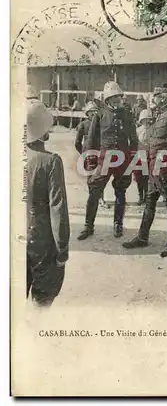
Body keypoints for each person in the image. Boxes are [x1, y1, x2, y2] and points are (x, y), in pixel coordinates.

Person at [122, 82, 167, 258]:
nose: (153, 99)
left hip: (164, 170)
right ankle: (142, 237)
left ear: (162, 98)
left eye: (156, 96)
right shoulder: (160, 115)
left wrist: (164, 163)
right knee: (149, 203)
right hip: (153, 169)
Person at [77, 81, 138, 240]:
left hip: (122, 161)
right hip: (104, 160)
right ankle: (88, 226)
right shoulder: (100, 115)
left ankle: (118, 224)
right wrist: (91, 161)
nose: (117, 100)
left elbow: (134, 139)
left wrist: (132, 158)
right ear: (107, 100)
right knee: (95, 192)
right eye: (113, 97)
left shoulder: (127, 114)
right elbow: (90, 139)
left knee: (120, 192)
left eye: (118, 97)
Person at [26, 99, 70, 307]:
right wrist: (62, 250)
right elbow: (58, 209)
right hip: (42, 241)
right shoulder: (51, 161)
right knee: (42, 301)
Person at [134, 109, 153, 205]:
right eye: (144, 119)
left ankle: (146, 196)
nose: (147, 121)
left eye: (148, 119)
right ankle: (140, 196)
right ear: (141, 120)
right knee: (138, 176)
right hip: (139, 156)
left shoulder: (153, 131)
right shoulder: (137, 130)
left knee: (147, 177)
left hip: (149, 155)